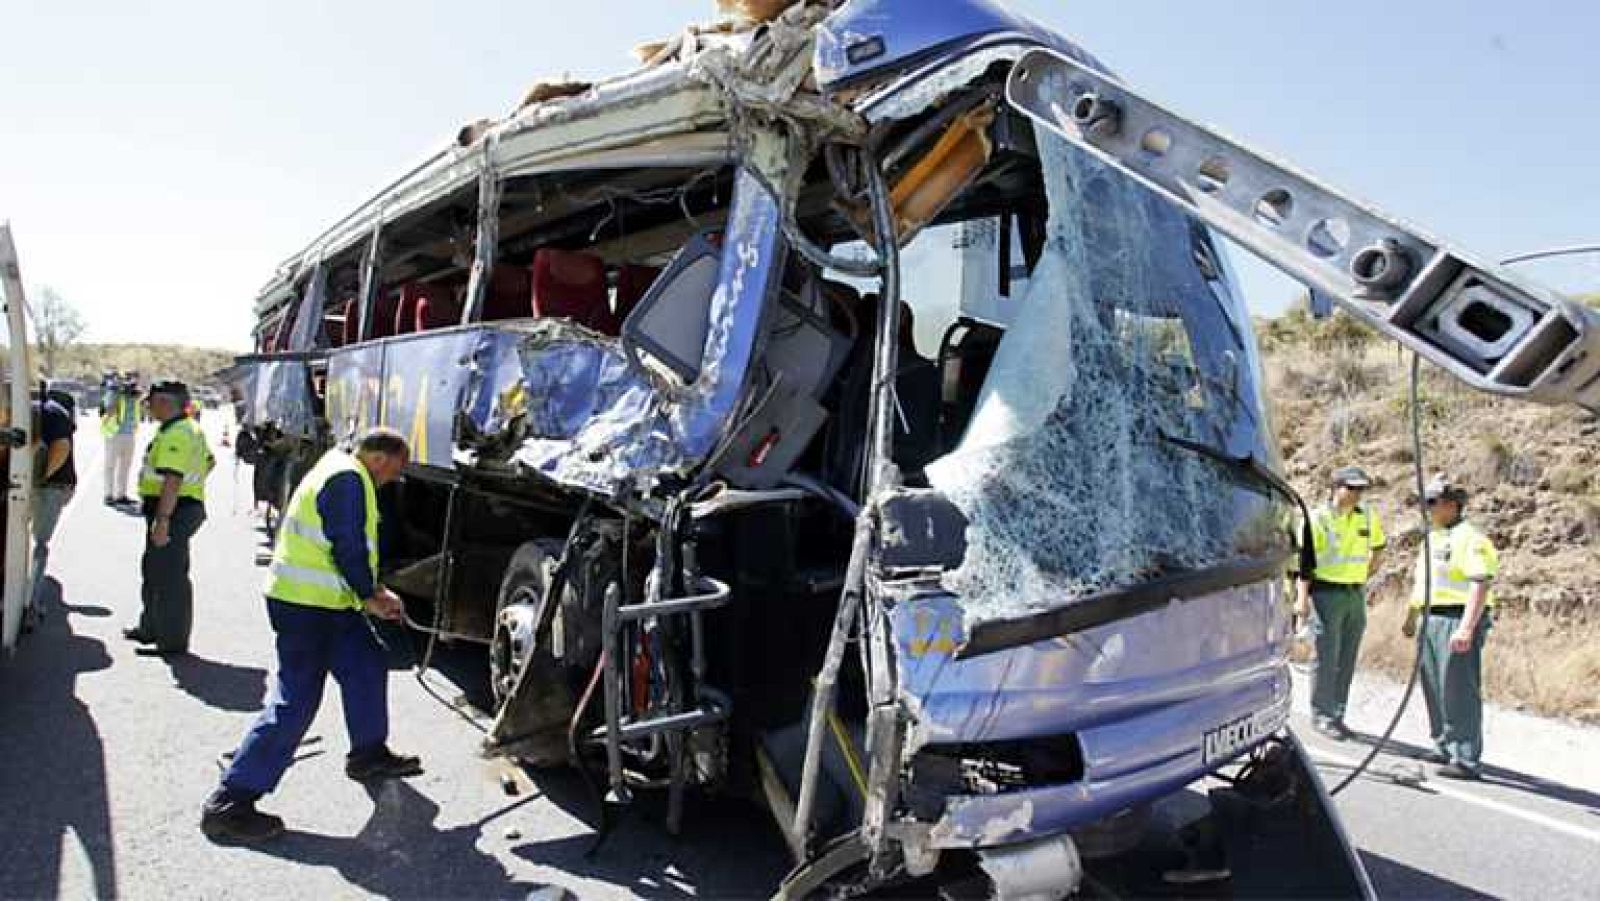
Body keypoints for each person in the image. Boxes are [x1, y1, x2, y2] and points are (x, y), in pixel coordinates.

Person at [201, 427, 421, 843]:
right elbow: (348, 546)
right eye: (396, 469)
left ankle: (369, 754)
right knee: (296, 699)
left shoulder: (339, 467)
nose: (394, 478)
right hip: (308, 607)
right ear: (381, 458)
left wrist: (365, 597)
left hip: (326, 605)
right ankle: (231, 803)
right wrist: (372, 594)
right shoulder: (348, 478)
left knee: (368, 664)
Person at [1404, 474, 1499, 780]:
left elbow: (1479, 585)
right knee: (1432, 682)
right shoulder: (1433, 537)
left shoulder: (1471, 539)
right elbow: (1423, 582)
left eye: (1431, 503)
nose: (1426, 508)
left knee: (1457, 687)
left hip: (1456, 618)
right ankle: (1443, 743)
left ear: (1452, 505)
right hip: (1429, 616)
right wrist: (1411, 617)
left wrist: (1467, 628)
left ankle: (1465, 756)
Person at [123, 380, 215, 656]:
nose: (147, 406)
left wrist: (164, 519)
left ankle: (172, 641)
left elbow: (172, 480)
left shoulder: (178, 433)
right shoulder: (183, 428)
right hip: (176, 507)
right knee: (153, 569)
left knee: (169, 577)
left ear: (164, 403)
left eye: (151, 401)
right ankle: (151, 627)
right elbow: (209, 461)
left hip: (174, 510)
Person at [1295, 465, 1386, 741]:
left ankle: (1338, 714)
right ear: (1335, 487)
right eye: (1352, 488)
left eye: (1361, 489)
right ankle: (1322, 715)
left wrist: (1363, 575)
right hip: (1325, 594)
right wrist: (1301, 601)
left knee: (1346, 657)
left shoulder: (1367, 516)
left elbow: (1379, 548)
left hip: (1353, 593)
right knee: (1326, 656)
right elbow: (1304, 564)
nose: (1357, 494)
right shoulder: (1318, 519)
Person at [27, 393, 77, 628]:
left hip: (49, 487)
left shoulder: (49, 412)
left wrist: (41, 478)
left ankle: (30, 603)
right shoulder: (48, 411)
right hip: (47, 486)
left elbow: (61, 446)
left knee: (37, 543)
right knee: (32, 543)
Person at [100, 374, 141, 505]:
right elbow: (109, 409)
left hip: (129, 434)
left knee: (125, 466)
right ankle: (108, 494)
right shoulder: (113, 392)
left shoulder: (134, 396)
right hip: (114, 434)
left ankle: (121, 495)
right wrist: (118, 393)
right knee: (110, 466)